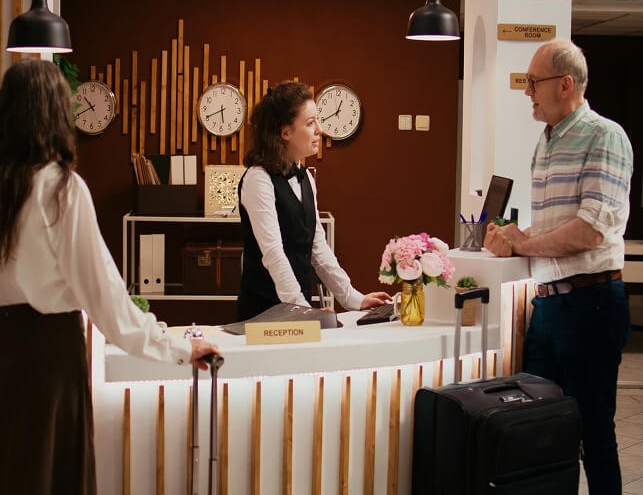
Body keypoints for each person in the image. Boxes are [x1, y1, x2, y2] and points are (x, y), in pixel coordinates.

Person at [0, 60, 219, 495]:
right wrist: (177, 347)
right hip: (48, 358)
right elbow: (105, 298)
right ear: (57, 113)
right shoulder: (60, 188)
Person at [484, 40, 633, 495]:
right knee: (541, 428)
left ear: (565, 85)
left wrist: (525, 245)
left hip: (591, 303)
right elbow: (554, 224)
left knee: (594, 433)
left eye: (534, 82)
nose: (527, 91)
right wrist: (513, 236)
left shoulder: (604, 136)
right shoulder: (546, 140)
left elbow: (589, 230)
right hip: (548, 307)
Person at [237, 81, 390, 320]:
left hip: (297, 310)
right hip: (263, 313)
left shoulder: (306, 177)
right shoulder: (258, 179)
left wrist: (351, 297)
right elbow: (273, 253)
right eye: (310, 123)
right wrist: (302, 309)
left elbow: (317, 246)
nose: (319, 129)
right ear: (285, 132)